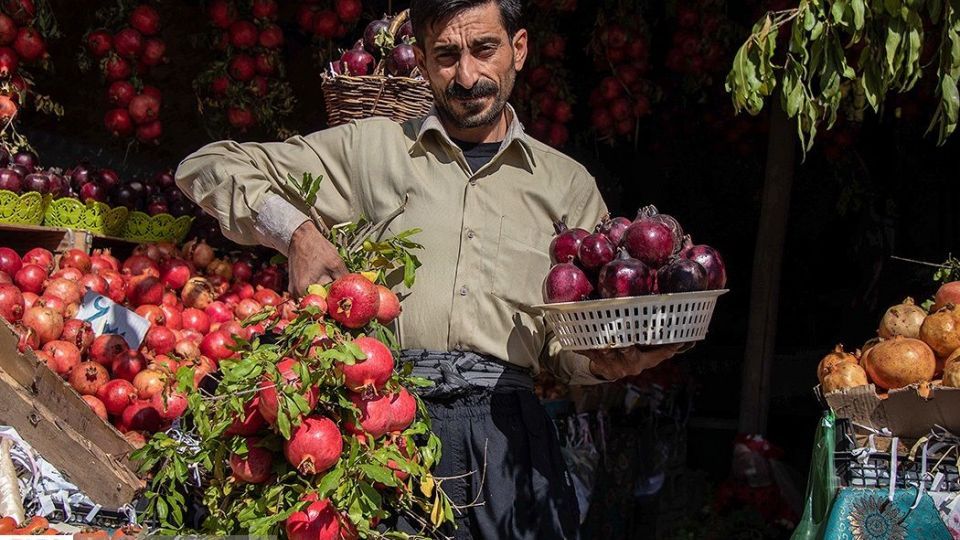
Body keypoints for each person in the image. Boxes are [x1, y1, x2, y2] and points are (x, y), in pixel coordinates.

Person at [175, 0, 679, 537]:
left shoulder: (568, 187)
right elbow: (206, 165)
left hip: (509, 439)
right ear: (419, 59)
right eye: (446, 55)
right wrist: (294, 232)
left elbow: (567, 348)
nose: (466, 75)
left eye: (484, 49)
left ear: (520, 49)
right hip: (381, 429)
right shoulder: (371, 150)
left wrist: (606, 362)